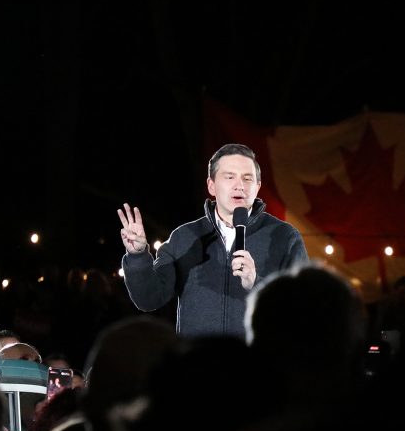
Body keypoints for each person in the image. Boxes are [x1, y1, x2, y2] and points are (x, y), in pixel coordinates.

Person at [118, 143, 308, 338]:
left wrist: (257, 284)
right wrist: (138, 256)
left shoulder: (284, 237)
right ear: (211, 185)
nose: (239, 185)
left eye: (247, 178)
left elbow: (304, 310)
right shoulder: (184, 237)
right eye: (229, 177)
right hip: (197, 365)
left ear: (257, 187)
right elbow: (149, 299)